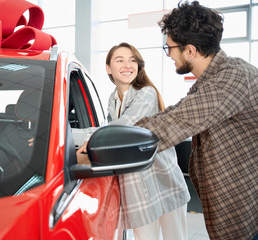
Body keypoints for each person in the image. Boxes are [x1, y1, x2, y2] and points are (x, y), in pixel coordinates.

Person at [132, 1, 258, 239]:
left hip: (247, 217)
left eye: (170, 48)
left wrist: (108, 143)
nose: (169, 55)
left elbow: (174, 124)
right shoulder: (214, 79)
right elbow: (174, 112)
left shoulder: (231, 79)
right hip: (233, 213)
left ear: (190, 50)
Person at [74, 42, 190, 240]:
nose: (127, 65)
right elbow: (112, 133)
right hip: (138, 186)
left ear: (139, 66)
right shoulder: (113, 98)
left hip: (163, 179)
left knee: (176, 237)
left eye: (132, 60)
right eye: (120, 60)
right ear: (108, 68)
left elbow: (123, 127)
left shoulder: (146, 92)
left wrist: (69, 134)